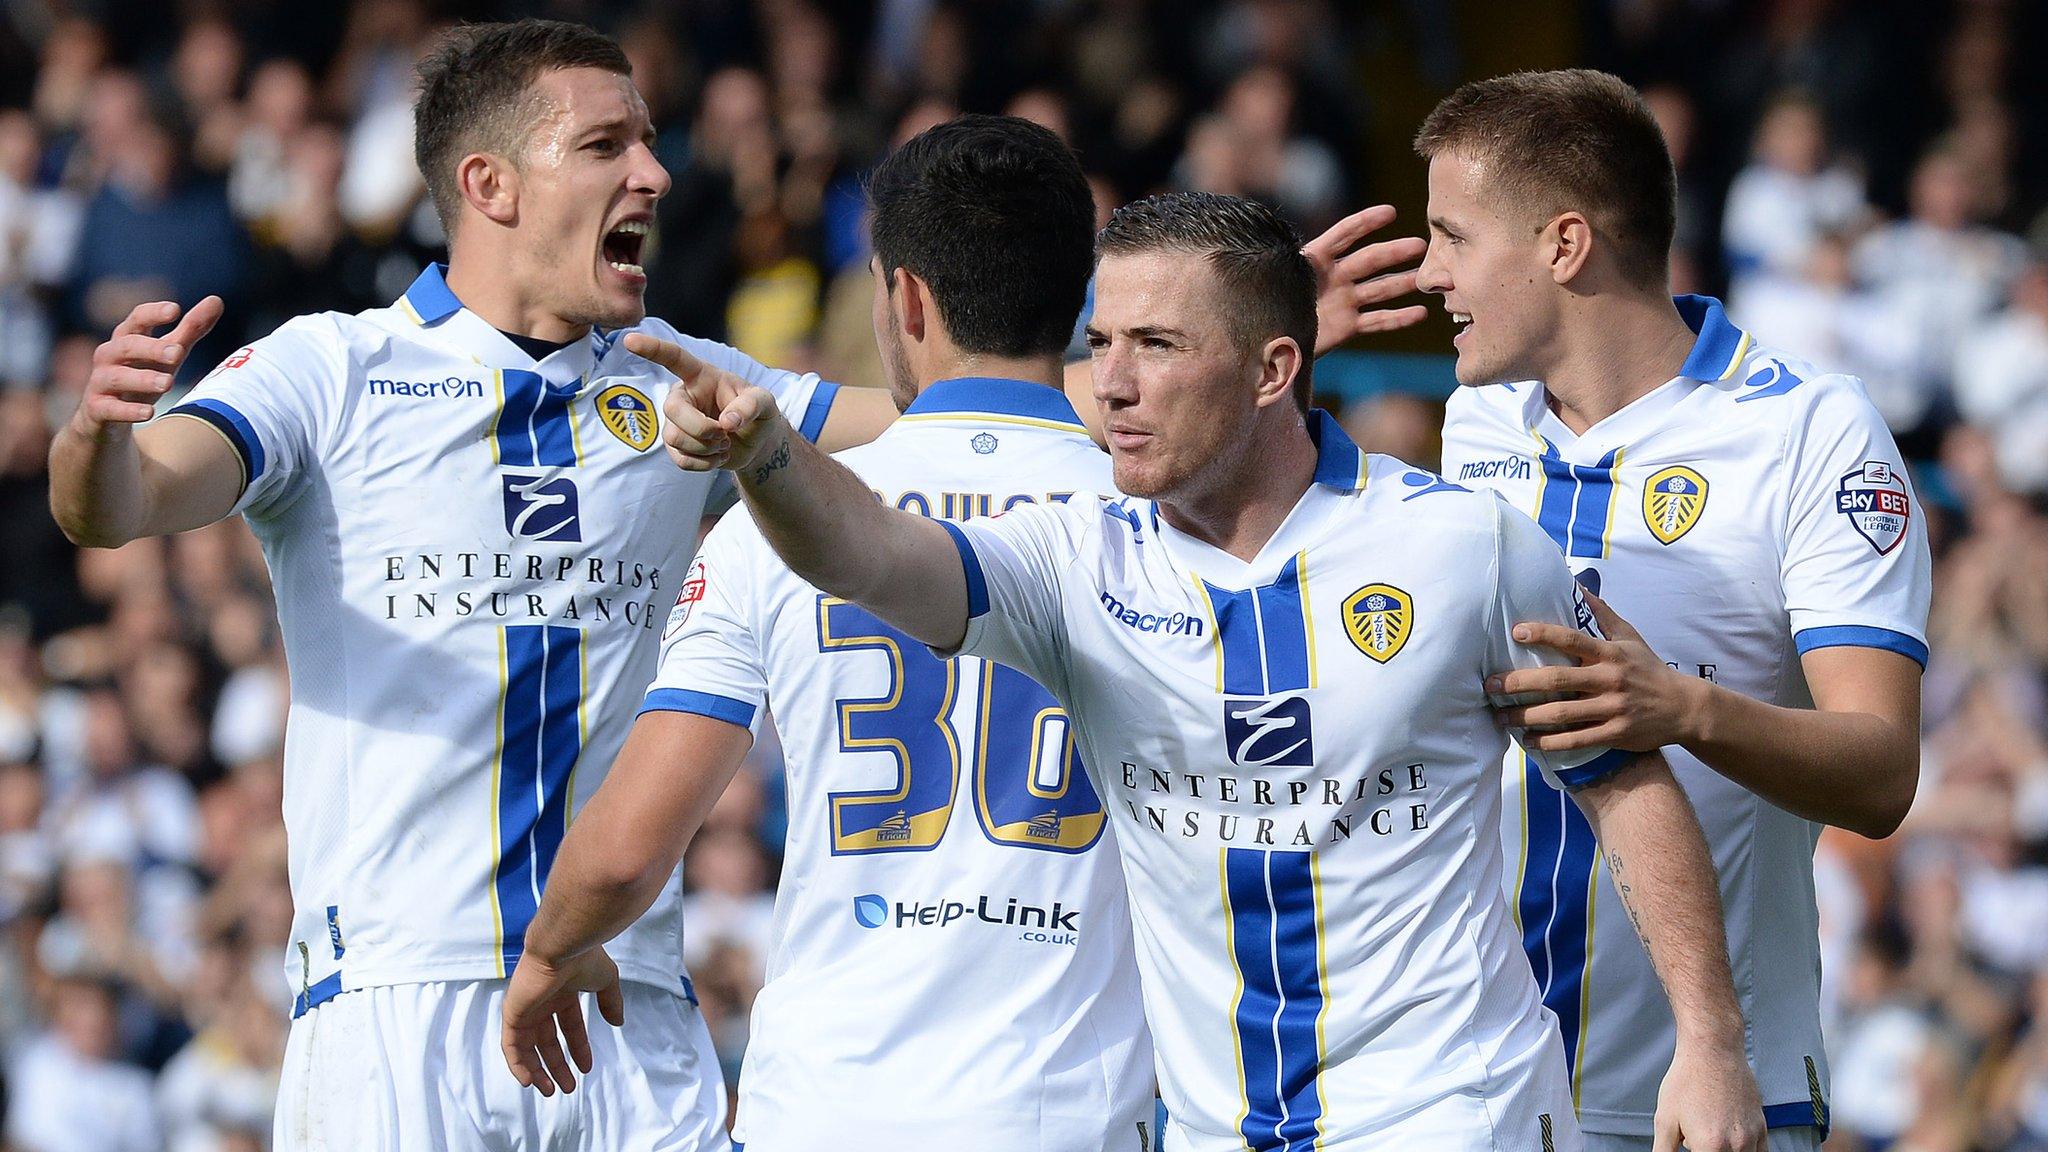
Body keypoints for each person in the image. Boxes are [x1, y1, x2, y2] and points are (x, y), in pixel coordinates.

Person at [44, 18, 1422, 1146]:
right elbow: (130, 502)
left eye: (649, 134)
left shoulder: (692, 383)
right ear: (489, 185)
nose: (653, 169)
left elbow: (955, 415)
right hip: (402, 995)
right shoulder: (329, 371)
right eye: (607, 143)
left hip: (626, 999)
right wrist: (95, 439)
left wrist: (1204, 350)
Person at [614, 189, 1767, 1152]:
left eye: (1154, 346)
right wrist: (768, 460)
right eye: (1097, 341)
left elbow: (1623, 781)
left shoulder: (1465, 547)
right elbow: (867, 553)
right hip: (1208, 1130)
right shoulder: (1069, 556)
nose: (1107, 385)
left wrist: (1708, 1045)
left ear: (1273, 369)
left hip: (1447, 1113)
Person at [501, 114, 1154, 1150]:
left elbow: (627, 851)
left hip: (829, 1110)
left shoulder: (775, 526)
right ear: (1077, 292)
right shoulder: (1160, 532)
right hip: (1074, 1111)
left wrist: (550, 952)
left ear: (902, 297)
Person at [1420, 70, 1932, 1152]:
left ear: (1563, 246)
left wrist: (1682, 710)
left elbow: (1881, 772)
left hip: (1702, 1101)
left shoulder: (1809, 431)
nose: (1429, 274)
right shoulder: (1476, 424)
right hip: (1475, 1089)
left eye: (1451, 237)